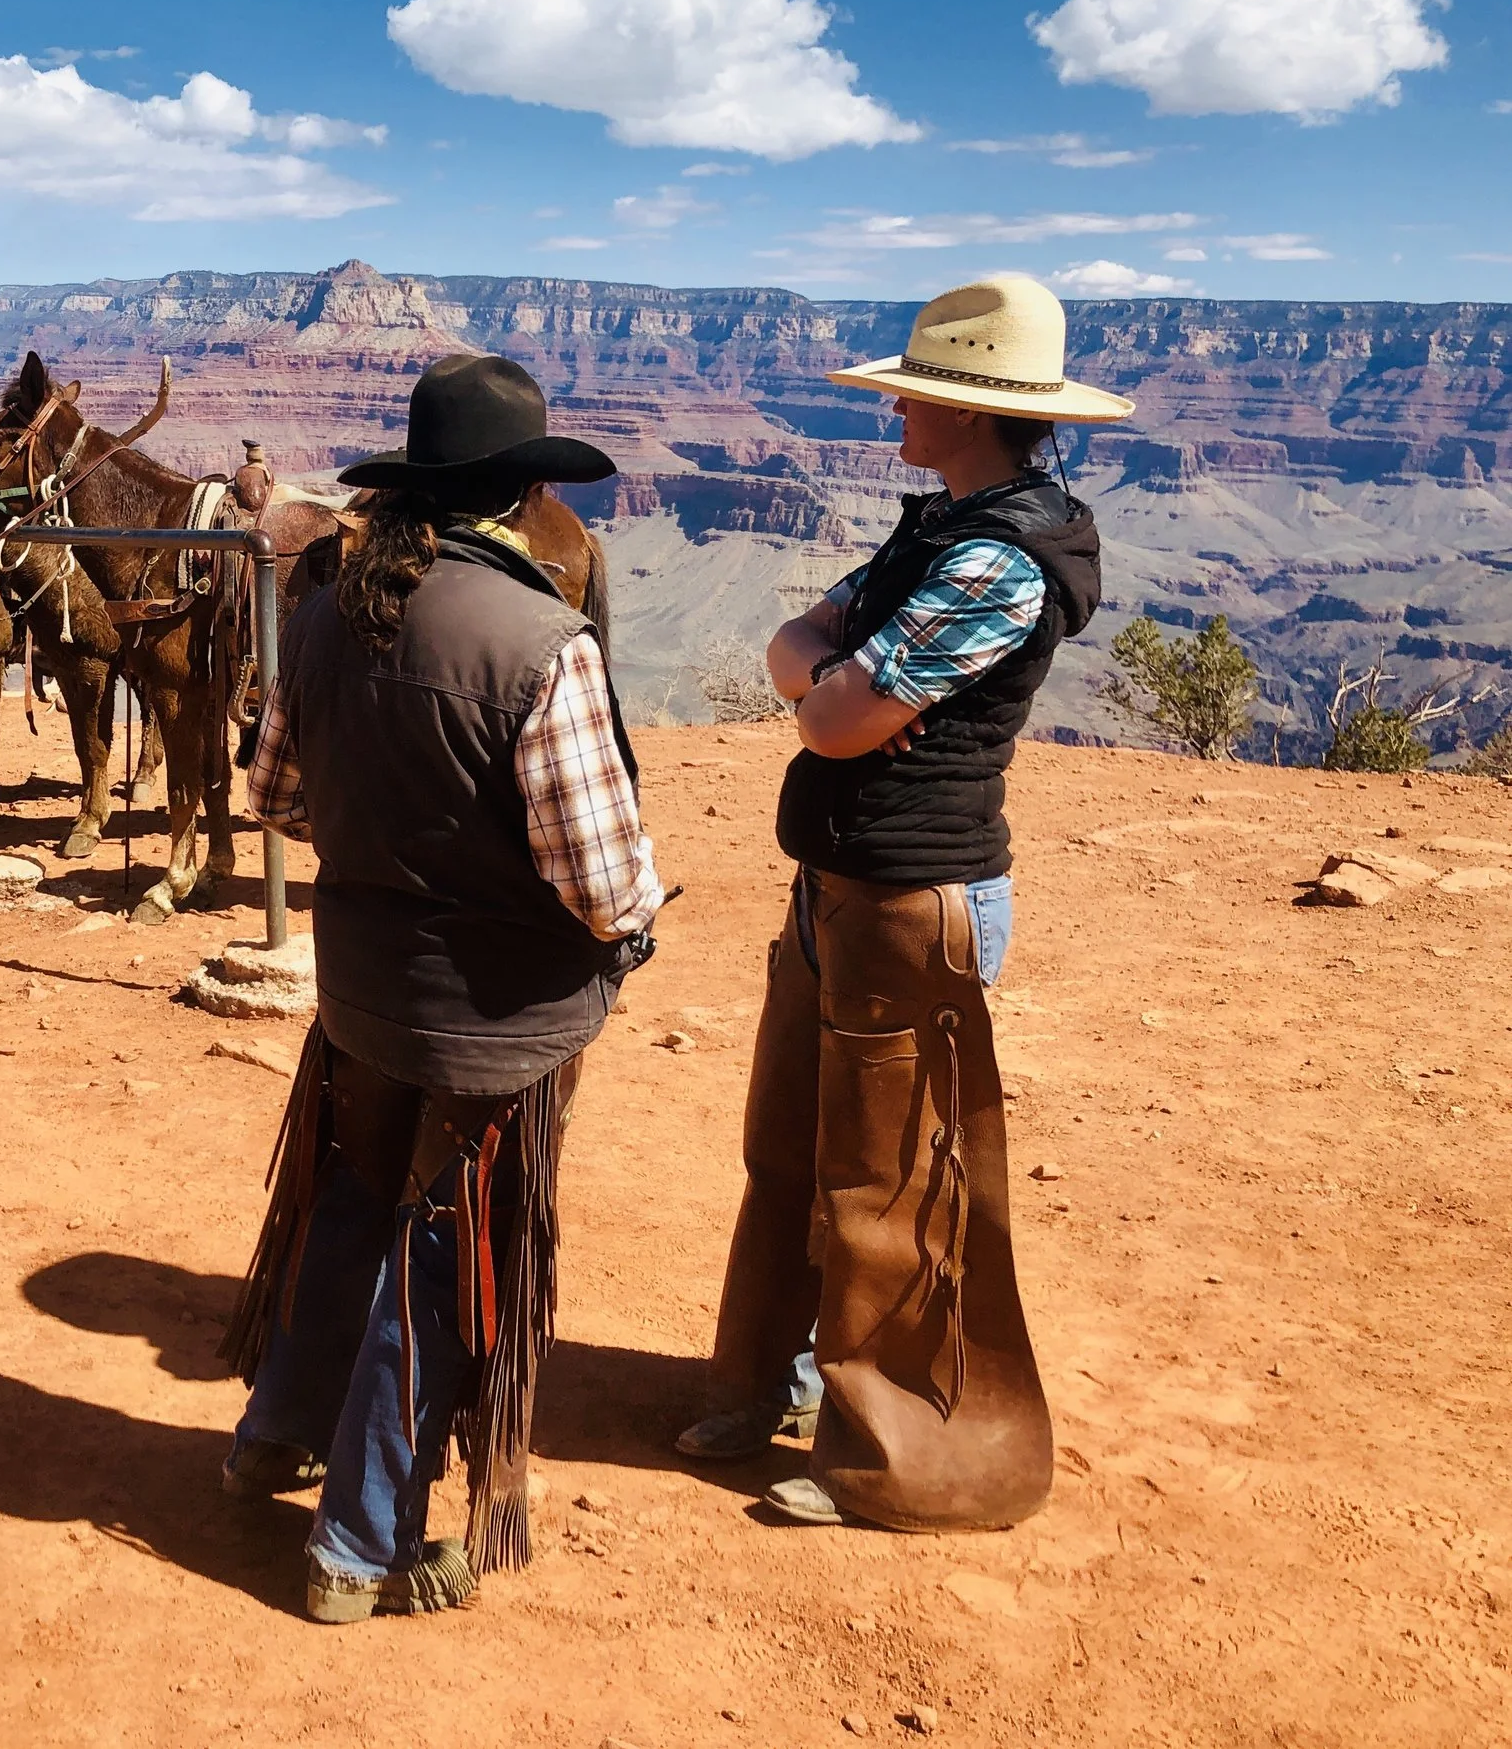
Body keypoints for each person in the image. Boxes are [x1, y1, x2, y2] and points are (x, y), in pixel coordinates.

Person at [677, 275, 1131, 1530]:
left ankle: (901, 1457)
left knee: (886, 1186)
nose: (894, 420)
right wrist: (827, 674)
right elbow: (803, 645)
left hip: (914, 900)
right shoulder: (940, 525)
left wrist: (825, 679)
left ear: (972, 414)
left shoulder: (999, 559)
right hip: (835, 889)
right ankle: (757, 1384)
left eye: (913, 399)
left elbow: (827, 710)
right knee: (786, 1154)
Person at [218, 354, 666, 1620]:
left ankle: (271, 1434)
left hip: (359, 993)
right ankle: (359, 1547)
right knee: (443, 1260)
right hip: (499, 1024)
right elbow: (600, 883)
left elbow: (275, 803)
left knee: (350, 1203)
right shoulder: (541, 641)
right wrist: (632, 932)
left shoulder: (319, 615)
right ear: (527, 490)